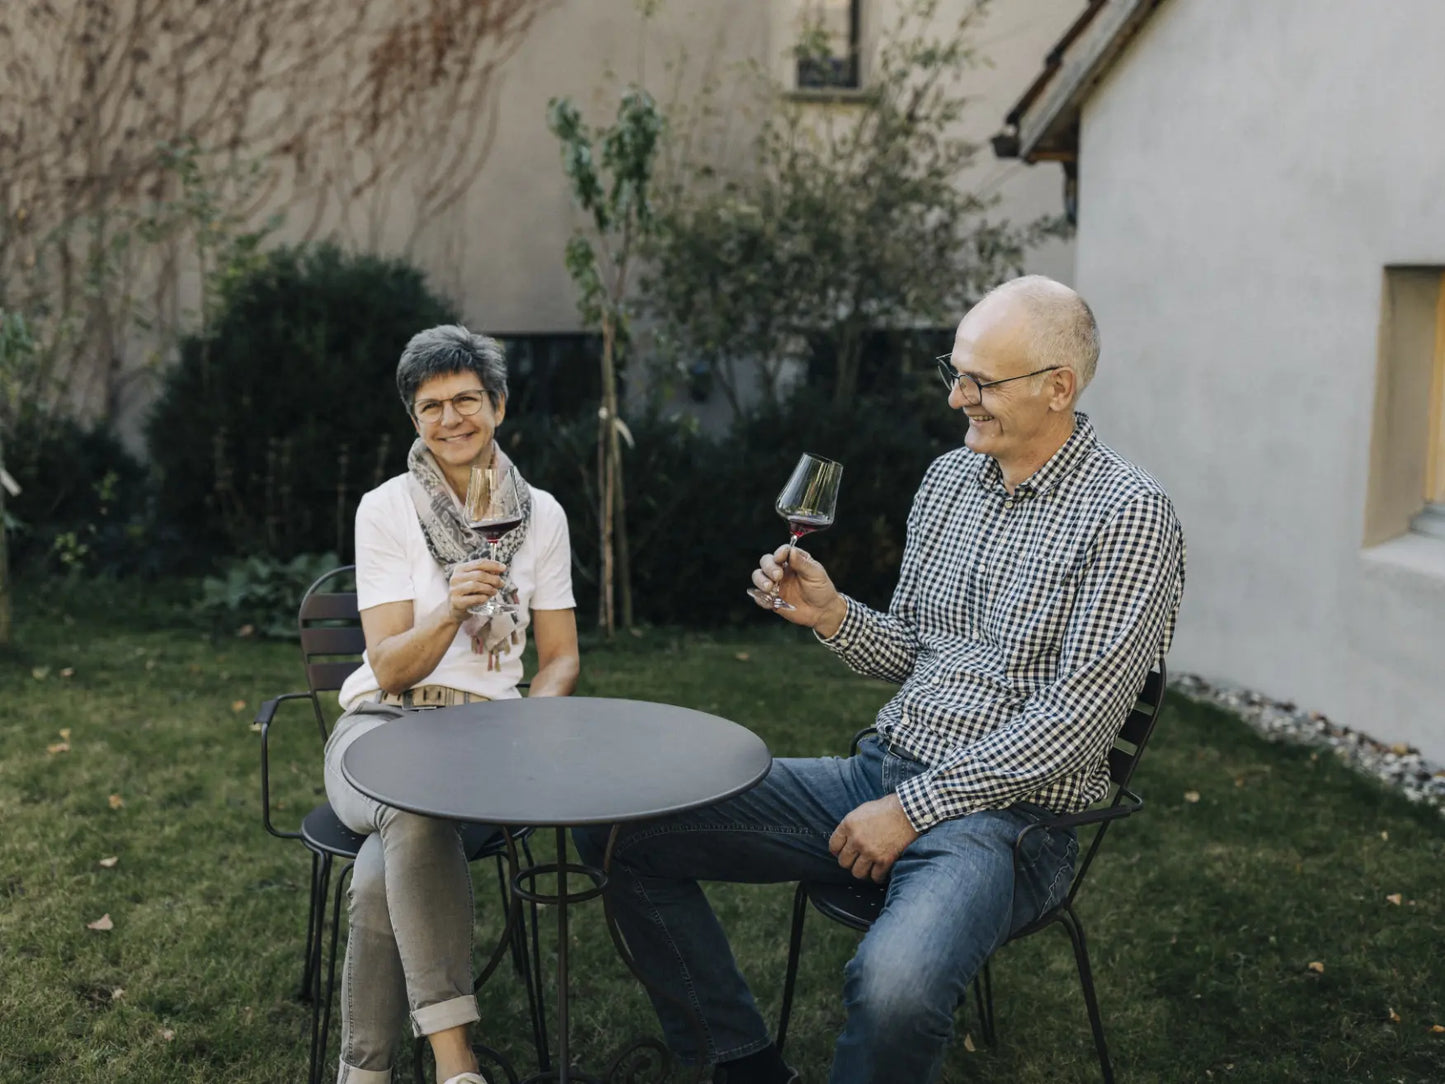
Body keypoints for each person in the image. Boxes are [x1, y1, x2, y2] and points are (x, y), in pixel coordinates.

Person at [575, 275, 1185, 1084]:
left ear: (1057, 387)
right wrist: (831, 614)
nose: (956, 398)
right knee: (618, 829)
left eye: (980, 382)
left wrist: (910, 811)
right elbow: (914, 651)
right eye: (953, 373)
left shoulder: (1128, 514)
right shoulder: (949, 481)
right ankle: (739, 1065)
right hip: (879, 775)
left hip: (1009, 825)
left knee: (896, 988)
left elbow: (1073, 725)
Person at [324, 325, 579, 1084]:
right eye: (430, 406)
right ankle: (455, 1063)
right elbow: (388, 667)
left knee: (383, 866)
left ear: (498, 405)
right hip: (378, 726)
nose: (450, 419)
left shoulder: (542, 516)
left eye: (465, 400)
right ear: (414, 419)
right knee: (414, 802)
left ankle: (363, 1072)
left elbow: (561, 657)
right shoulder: (385, 508)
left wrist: (526, 724)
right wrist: (449, 610)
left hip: (481, 735)